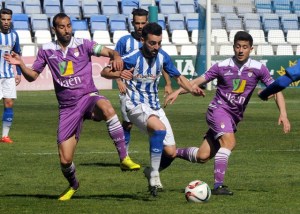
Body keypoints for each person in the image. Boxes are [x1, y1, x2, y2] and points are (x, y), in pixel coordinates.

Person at [4, 13, 139, 201]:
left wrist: (116, 54)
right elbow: (32, 76)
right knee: (65, 160)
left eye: (68, 26)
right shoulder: (46, 50)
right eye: (62, 27)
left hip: (88, 97)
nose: (67, 30)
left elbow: (107, 52)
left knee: (107, 107)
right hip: (67, 108)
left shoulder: (84, 44)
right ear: (54, 29)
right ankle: (74, 184)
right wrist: (20, 64)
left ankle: (124, 158)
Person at [165, 31, 291, 196]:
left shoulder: (259, 68)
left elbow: (277, 89)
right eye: (238, 46)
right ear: (233, 47)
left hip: (233, 118)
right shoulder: (221, 66)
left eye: (245, 47)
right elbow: (196, 82)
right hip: (218, 110)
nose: (241, 50)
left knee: (203, 156)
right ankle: (218, 186)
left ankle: (172, 153)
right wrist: (177, 92)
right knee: (229, 143)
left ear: (250, 49)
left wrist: (283, 113)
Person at [101, 22, 205, 196]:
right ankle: (155, 176)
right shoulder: (132, 57)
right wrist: (118, 74)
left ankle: (150, 171)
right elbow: (104, 72)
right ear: (142, 40)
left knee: (171, 152)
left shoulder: (163, 56)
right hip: (134, 105)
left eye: (159, 43)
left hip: (154, 106)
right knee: (159, 129)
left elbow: (179, 78)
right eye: (152, 43)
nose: (156, 47)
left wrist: (192, 89)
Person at [114, 8, 173, 166]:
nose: (140, 26)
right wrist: (119, 81)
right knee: (127, 123)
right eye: (137, 23)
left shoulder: (153, 43)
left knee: (153, 127)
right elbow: (115, 63)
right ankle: (124, 157)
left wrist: (167, 83)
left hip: (148, 93)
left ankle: (152, 158)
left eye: (143, 23)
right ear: (132, 23)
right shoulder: (124, 41)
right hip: (128, 90)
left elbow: (162, 65)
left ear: (147, 22)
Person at [0, 8, 22, 144]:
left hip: (8, 75)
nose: (6, 22)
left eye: (8, 19)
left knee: (9, 104)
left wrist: (18, 73)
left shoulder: (14, 35)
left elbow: (17, 54)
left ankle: (4, 136)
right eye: (3, 19)